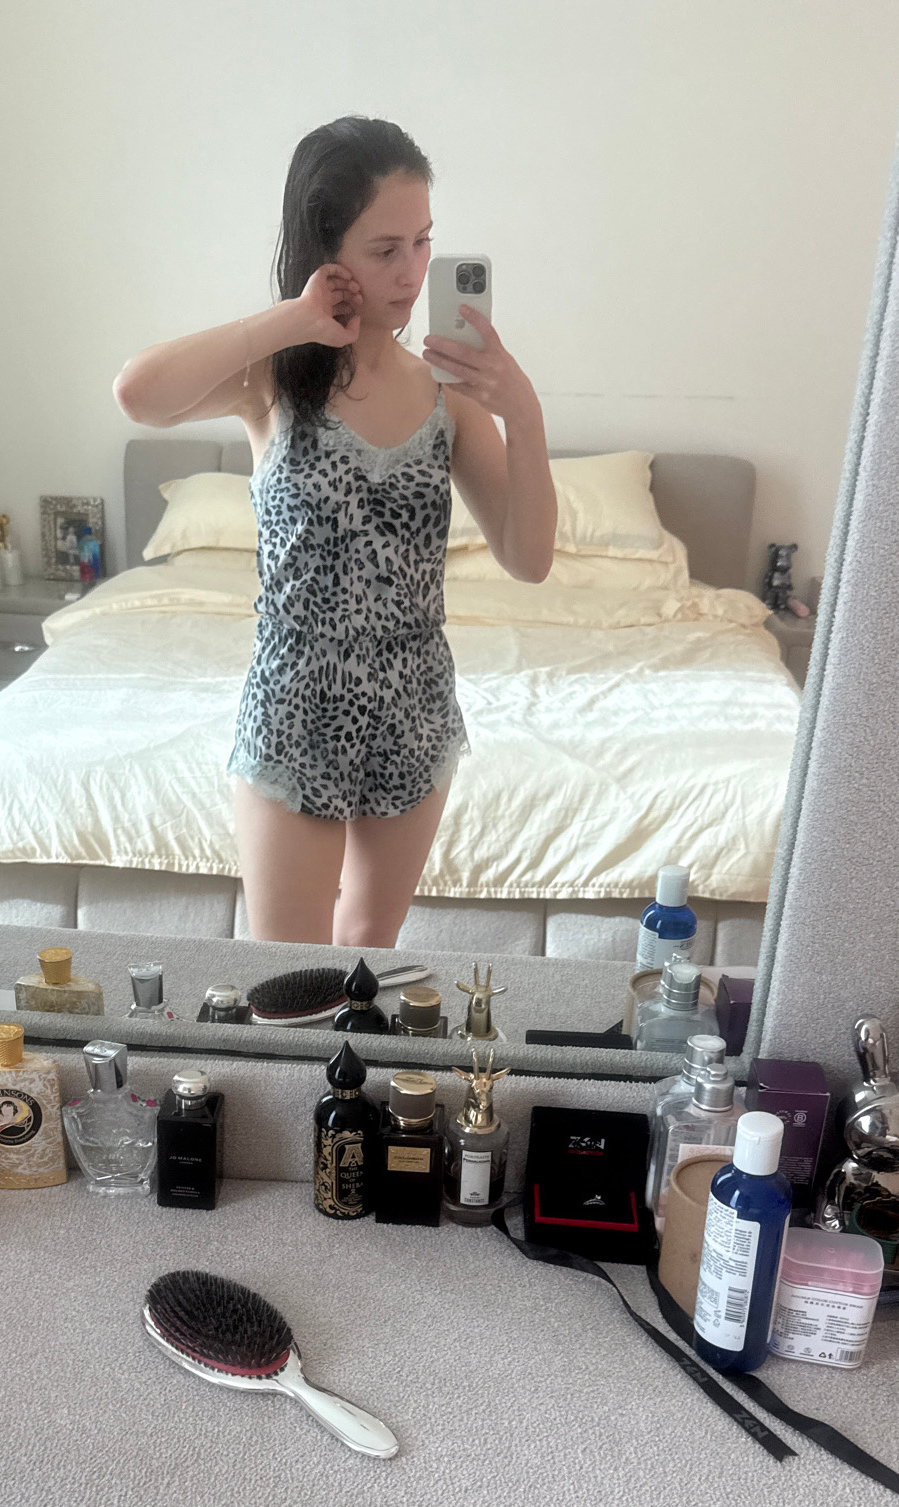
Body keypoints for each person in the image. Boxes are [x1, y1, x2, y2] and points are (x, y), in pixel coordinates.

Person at [114, 117, 555, 945]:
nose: (412, 272)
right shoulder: (271, 381)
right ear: (326, 250)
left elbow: (529, 560)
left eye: (422, 242)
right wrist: (292, 320)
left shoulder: (449, 396)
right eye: (385, 249)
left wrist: (523, 415)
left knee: (365, 966)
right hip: (294, 704)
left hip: (415, 704)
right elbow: (138, 393)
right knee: (286, 978)